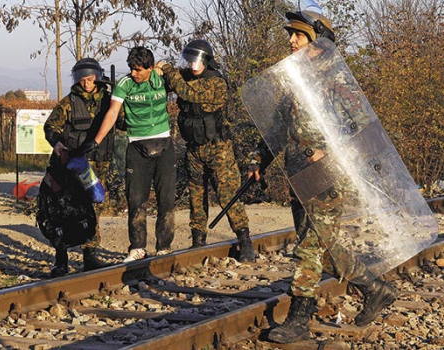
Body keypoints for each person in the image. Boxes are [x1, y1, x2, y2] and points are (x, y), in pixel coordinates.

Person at [246, 10, 399, 343]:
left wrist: (330, 153)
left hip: (329, 174)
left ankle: (299, 318)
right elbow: (277, 129)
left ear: (318, 43)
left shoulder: (337, 81)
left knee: (309, 245)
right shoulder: (297, 81)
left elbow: (365, 131)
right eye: (291, 35)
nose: (291, 40)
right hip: (300, 173)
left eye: (299, 36)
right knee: (325, 244)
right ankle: (374, 289)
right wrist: (259, 159)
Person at [155, 40, 255, 262]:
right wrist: (155, 70)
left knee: (228, 194)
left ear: (207, 61)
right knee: (196, 196)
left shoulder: (215, 82)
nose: (192, 65)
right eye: (190, 60)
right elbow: (168, 83)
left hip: (218, 149)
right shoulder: (185, 76)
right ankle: (197, 241)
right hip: (194, 148)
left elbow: (187, 92)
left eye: (197, 60)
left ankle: (244, 240)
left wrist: (168, 70)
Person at [82, 46, 175, 262]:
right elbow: (112, 112)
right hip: (137, 146)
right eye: (132, 68)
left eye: (139, 70)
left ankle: (164, 247)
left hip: (164, 146)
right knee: (135, 200)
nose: (134, 73)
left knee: (166, 200)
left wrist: (165, 66)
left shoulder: (162, 80)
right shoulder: (125, 84)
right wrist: (96, 141)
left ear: (150, 68)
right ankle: (137, 247)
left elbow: (182, 76)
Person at [43, 57, 114, 277]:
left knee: (95, 209)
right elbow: (51, 126)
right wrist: (57, 142)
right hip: (74, 165)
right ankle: (61, 259)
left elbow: (120, 121)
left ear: (98, 77)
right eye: (81, 78)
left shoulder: (109, 100)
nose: (86, 82)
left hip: (99, 163)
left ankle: (90, 256)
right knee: (64, 209)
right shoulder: (69, 102)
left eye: (90, 78)